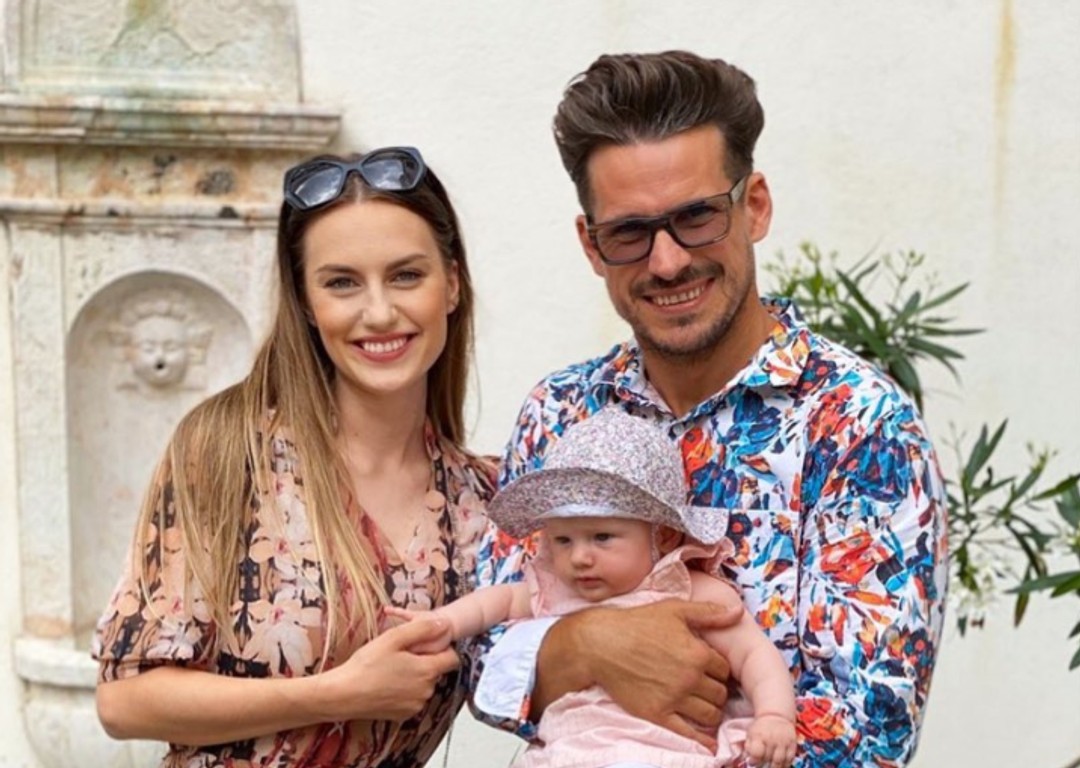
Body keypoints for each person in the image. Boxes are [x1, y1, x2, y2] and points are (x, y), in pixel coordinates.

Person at [467, 51, 948, 767]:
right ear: (592, 245)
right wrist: (589, 643)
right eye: (630, 232)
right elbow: (481, 667)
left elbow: (868, 731)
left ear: (754, 206)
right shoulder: (559, 411)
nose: (666, 262)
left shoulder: (859, 425)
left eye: (696, 217)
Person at [92, 146, 497, 767]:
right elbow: (125, 700)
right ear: (307, 303)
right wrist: (338, 694)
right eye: (342, 283)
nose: (379, 312)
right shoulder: (229, 451)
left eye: (406, 276)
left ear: (452, 284)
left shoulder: (483, 501)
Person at [391, 408, 797, 768]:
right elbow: (493, 602)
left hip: (658, 753)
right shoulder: (555, 587)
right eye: (563, 540)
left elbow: (753, 654)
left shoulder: (688, 589)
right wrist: (444, 623)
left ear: (664, 536)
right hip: (564, 753)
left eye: (602, 537)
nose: (580, 557)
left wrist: (775, 716)